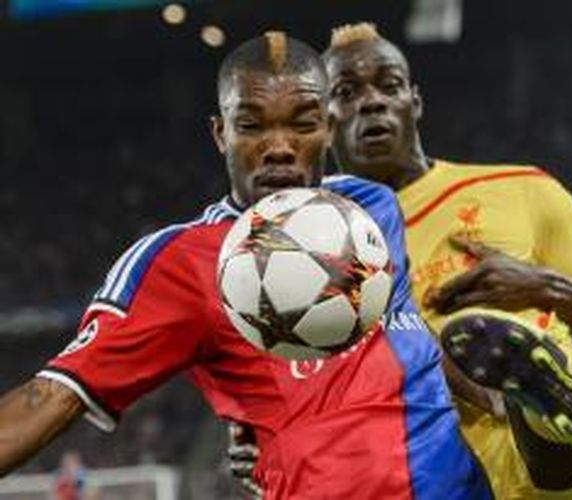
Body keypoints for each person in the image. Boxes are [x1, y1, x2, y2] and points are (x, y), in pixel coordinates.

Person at [0, 32, 495, 499]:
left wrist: (501, 398)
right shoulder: (179, 263)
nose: (278, 146)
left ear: (327, 126)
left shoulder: (373, 207)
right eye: (252, 125)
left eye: (301, 122)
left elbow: (409, 343)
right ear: (221, 133)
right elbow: (51, 397)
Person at [321, 22, 572, 499]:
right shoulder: (323, 258)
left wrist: (541, 286)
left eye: (390, 85)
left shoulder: (519, 189)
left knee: (538, 368)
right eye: (346, 91)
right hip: (454, 480)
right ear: (322, 122)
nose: (372, 101)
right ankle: (532, 395)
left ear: (414, 102)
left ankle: (541, 402)